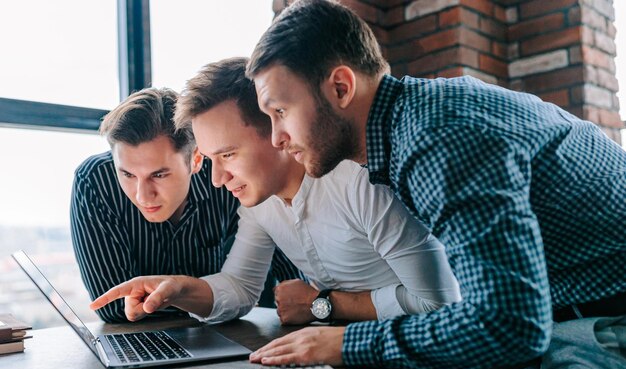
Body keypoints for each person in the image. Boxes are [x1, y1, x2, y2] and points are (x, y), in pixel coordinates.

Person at [244, 0, 626, 369]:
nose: (277, 137)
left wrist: (342, 343)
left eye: (280, 111)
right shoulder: (417, 120)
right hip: (557, 315)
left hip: (603, 320)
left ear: (340, 87)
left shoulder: (435, 140)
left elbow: (508, 322)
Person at [89, 57, 461, 328]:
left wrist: (324, 305)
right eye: (212, 158)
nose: (217, 179)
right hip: (351, 355)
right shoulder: (258, 203)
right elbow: (239, 287)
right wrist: (179, 289)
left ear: (276, 130)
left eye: (228, 154)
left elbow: (440, 303)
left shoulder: (359, 180)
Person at [70, 87, 299, 323]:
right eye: (127, 175)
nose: (143, 196)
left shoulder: (226, 177)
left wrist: (305, 301)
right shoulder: (95, 180)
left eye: (159, 175)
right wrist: (200, 300)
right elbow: (113, 306)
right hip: (148, 337)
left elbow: (291, 283)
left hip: (223, 335)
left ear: (196, 159)